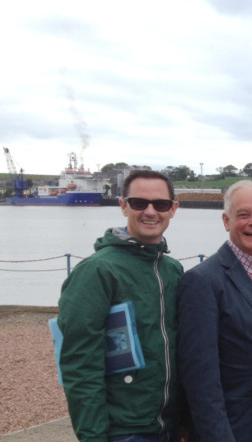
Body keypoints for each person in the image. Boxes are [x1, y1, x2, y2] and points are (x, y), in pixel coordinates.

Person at [57, 170, 183, 442]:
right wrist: (93, 436)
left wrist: (186, 422)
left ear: (173, 209)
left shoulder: (172, 271)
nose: (150, 211)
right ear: (123, 205)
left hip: (171, 428)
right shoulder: (97, 271)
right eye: (139, 203)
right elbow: (80, 365)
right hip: (124, 432)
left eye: (160, 204)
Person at [177, 180, 252, 442]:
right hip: (233, 430)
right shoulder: (202, 282)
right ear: (226, 220)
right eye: (243, 215)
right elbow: (200, 380)